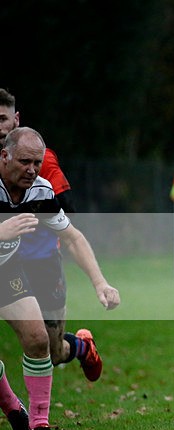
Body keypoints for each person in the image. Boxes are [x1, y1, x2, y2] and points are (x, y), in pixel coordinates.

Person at [0, 127, 120, 430]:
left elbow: (73, 237)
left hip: (7, 273)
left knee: (41, 342)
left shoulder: (40, 191)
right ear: (5, 156)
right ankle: (15, 411)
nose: (32, 170)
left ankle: (39, 427)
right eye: (25, 161)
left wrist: (100, 284)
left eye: (37, 163)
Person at [0, 89, 102, 383]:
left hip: (41, 261)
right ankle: (24, 418)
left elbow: (67, 218)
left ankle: (81, 347)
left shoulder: (38, 160)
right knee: (33, 341)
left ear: (15, 120)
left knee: (51, 350)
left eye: (2, 119)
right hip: (8, 265)